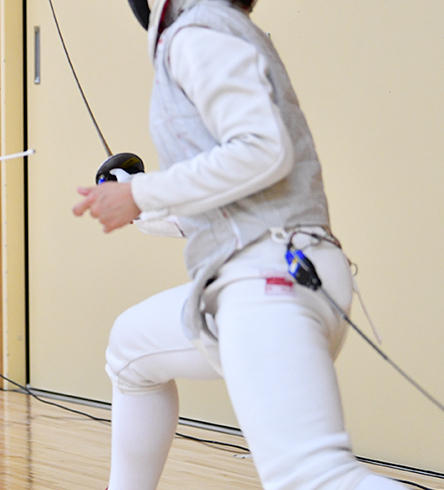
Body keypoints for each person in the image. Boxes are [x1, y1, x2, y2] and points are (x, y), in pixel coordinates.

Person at [73, 1, 405, 488]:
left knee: (314, 477)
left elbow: (262, 150)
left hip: (269, 282)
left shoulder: (197, 35)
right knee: (129, 347)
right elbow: (237, 199)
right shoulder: (219, 32)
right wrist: (143, 207)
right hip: (284, 272)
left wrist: (140, 192)